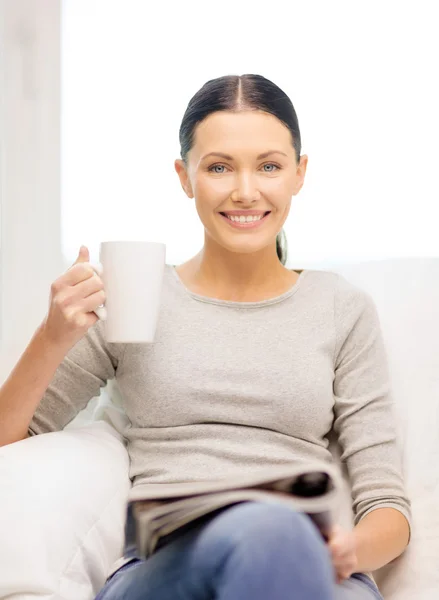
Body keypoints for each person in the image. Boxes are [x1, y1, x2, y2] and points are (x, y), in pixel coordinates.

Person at [0, 74, 411, 600]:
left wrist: (339, 552)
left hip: (313, 572)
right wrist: (51, 337)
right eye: (219, 167)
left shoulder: (340, 307)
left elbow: (388, 509)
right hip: (166, 572)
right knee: (264, 531)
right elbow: (10, 448)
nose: (245, 191)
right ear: (184, 176)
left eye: (269, 166)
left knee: (276, 537)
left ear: (299, 174)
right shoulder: (137, 294)